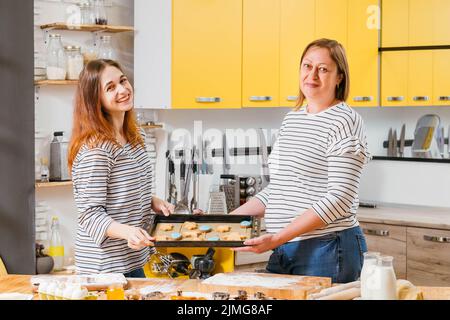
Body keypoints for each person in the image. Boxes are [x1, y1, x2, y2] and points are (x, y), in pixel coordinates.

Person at [233, 39, 371, 283]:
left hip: (328, 248)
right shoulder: (293, 119)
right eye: (307, 66)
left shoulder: (345, 121)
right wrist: (226, 221)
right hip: (286, 248)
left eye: (323, 69)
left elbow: (340, 199)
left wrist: (278, 237)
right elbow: (280, 189)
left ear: (339, 77)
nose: (312, 75)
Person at [68, 59, 174, 277]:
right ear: (94, 100)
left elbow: (121, 188)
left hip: (133, 259)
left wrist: (151, 200)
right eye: (111, 87)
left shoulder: (136, 137)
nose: (123, 90)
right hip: (104, 267)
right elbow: (90, 214)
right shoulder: (96, 150)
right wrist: (128, 232)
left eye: (123, 81)